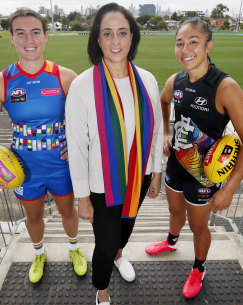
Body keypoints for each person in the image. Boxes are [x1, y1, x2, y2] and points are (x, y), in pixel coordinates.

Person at [0, 8, 87, 284]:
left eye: (35, 32)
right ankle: (38, 253)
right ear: (11, 38)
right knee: (33, 218)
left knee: (68, 211)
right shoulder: (0, 83)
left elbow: (92, 121)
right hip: (23, 169)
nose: (29, 39)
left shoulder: (66, 77)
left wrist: (81, 146)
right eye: (20, 33)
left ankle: (74, 248)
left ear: (46, 36)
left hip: (62, 166)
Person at [144, 18, 243, 298]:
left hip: (204, 175)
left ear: (209, 44)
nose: (185, 49)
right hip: (175, 165)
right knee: (173, 212)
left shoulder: (225, 87)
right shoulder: (177, 79)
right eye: (180, 43)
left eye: (193, 41)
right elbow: (163, 100)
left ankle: (199, 268)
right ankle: (171, 242)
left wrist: (229, 188)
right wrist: (168, 133)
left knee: (197, 226)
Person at [65, 3, 163, 305]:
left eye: (122, 33)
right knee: (104, 244)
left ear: (132, 37)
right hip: (101, 185)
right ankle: (102, 291)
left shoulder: (147, 79)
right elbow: (78, 148)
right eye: (108, 34)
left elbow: (157, 130)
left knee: (125, 230)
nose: (116, 41)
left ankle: (121, 256)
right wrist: (82, 196)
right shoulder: (82, 86)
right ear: (98, 39)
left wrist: (156, 171)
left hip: (139, 177)